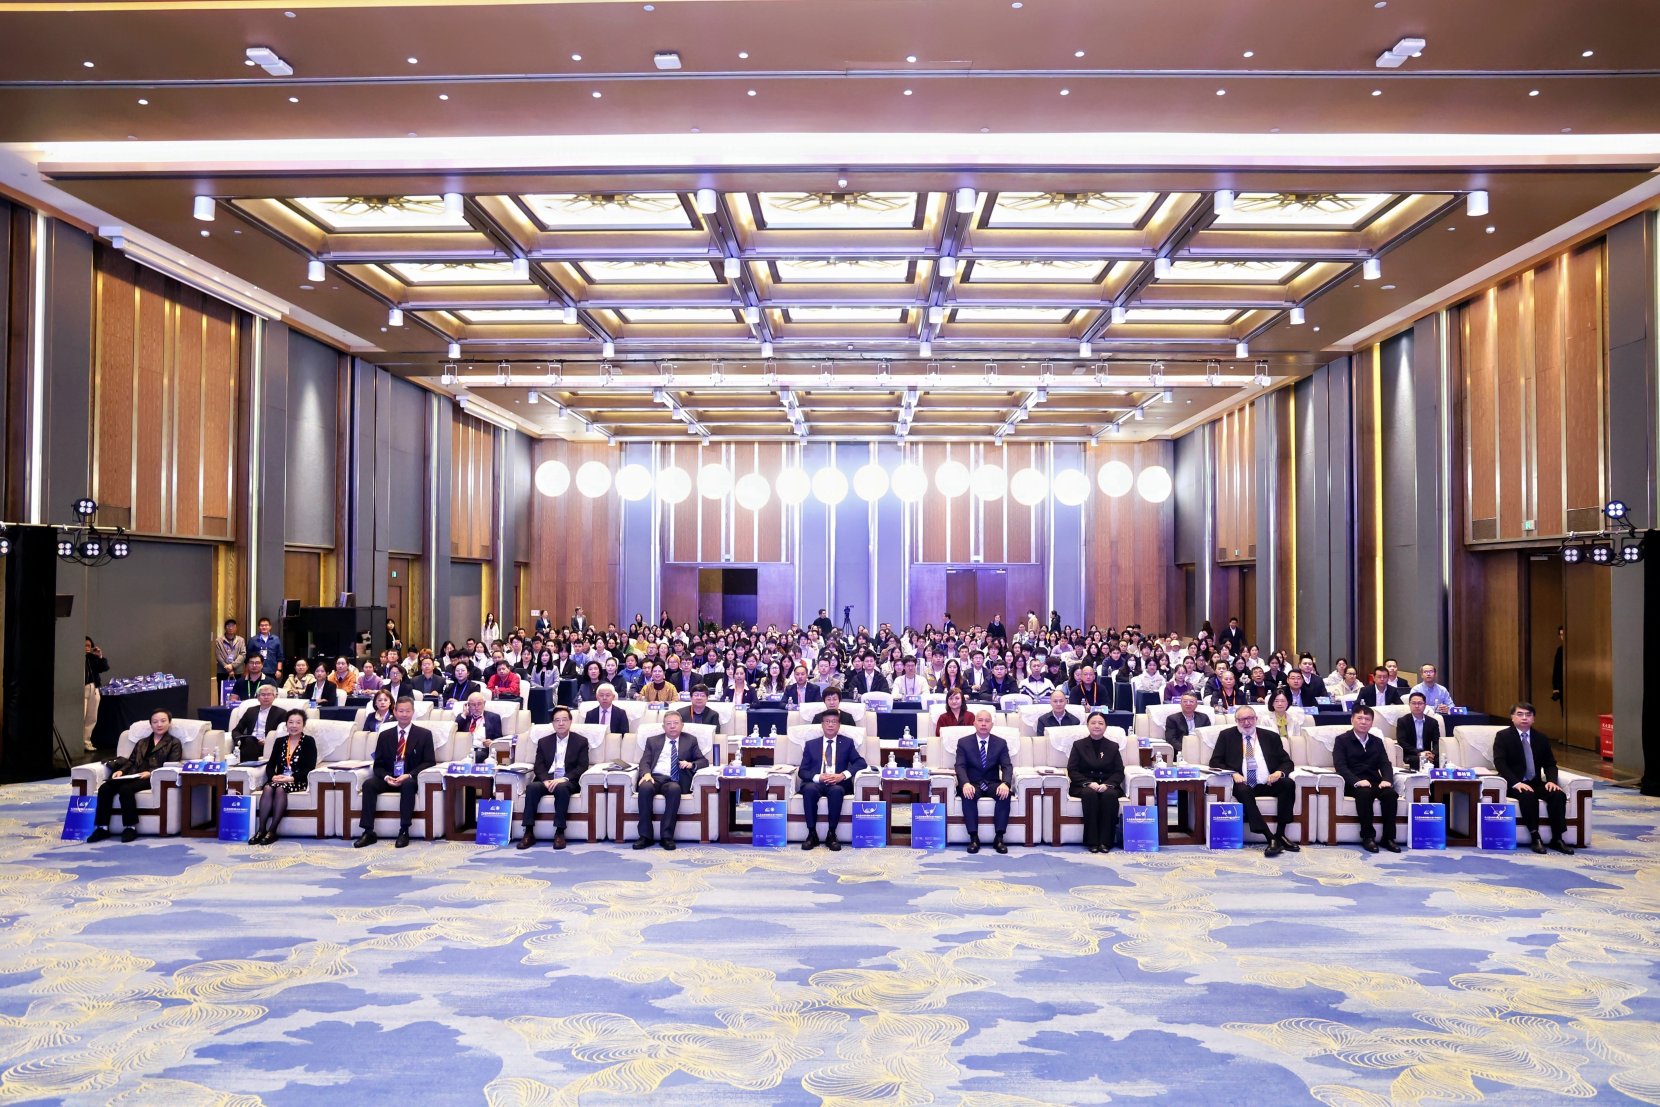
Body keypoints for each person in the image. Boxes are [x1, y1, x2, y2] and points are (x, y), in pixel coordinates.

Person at [1208, 705, 1300, 858]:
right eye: (1242, 719)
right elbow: (1215, 762)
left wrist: (1279, 772)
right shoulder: (1226, 736)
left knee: (1288, 784)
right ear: (1236, 721)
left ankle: (1281, 834)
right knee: (1243, 791)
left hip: (1267, 783)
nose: (1247, 723)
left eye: (1250, 718)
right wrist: (1233, 773)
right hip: (1242, 783)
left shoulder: (1270, 736)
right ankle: (1269, 837)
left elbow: (1287, 762)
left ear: (1256, 719)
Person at [86, 709, 183, 842]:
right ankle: (102, 828)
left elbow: (172, 764)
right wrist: (121, 771)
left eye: (163, 721)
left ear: (169, 723)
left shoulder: (174, 743)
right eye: (155, 722)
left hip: (153, 777)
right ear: (151, 724)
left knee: (125, 789)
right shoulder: (142, 742)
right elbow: (131, 761)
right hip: (133, 775)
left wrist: (151, 773)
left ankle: (130, 828)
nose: (159, 724)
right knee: (105, 788)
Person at [354, 696, 436, 848]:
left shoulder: (424, 734)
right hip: (389, 778)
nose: (404, 714)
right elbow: (378, 765)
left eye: (408, 711)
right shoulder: (385, 735)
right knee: (369, 785)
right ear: (395, 712)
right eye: (401, 711)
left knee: (408, 785)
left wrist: (409, 775)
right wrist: (386, 777)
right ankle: (368, 831)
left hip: (410, 778)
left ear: (413, 712)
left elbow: (430, 762)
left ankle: (404, 830)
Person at [1494, 702, 1574, 855]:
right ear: (1512, 717)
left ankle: (1557, 838)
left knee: (1558, 795)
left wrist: (1551, 781)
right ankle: (1535, 837)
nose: (1524, 718)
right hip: (1513, 783)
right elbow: (1500, 763)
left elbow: (1550, 764)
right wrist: (1516, 783)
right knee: (1527, 795)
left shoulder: (1541, 738)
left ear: (1533, 719)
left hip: (1535, 782)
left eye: (1528, 715)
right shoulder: (1503, 736)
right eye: (1520, 714)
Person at [632, 712, 708, 850]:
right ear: (663, 727)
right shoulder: (652, 741)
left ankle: (666, 837)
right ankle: (645, 836)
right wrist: (646, 773)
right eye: (668, 723)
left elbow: (703, 761)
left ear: (682, 725)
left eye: (676, 723)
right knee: (645, 787)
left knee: (674, 789)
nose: (672, 726)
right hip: (654, 777)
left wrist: (691, 764)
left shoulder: (690, 740)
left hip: (674, 779)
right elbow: (645, 761)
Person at [519, 706, 590, 850]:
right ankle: (528, 832)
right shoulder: (544, 742)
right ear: (552, 723)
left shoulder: (581, 741)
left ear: (570, 722)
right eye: (557, 720)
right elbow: (538, 766)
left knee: (562, 788)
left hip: (567, 781)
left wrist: (564, 779)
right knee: (532, 787)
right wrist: (545, 780)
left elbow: (582, 767)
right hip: (548, 779)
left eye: (564, 720)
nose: (561, 723)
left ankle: (559, 832)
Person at [1334, 705, 1400, 853]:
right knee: (1364, 794)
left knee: (1390, 794)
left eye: (1367, 719)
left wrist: (1387, 779)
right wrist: (1356, 781)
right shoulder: (1342, 740)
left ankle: (1388, 838)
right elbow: (1340, 766)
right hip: (1353, 783)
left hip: (1374, 782)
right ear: (1352, 720)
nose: (1363, 722)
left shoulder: (1376, 741)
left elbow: (1385, 763)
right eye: (1360, 718)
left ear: (1371, 723)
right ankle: (1368, 837)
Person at [796, 714, 866, 851]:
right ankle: (812, 834)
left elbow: (860, 763)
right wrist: (818, 777)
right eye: (827, 721)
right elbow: (802, 771)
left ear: (839, 726)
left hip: (837, 783)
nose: (830, 724)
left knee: (836, 791)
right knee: (809, 790)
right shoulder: (811, 744)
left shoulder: (847, 743)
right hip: (816, 782)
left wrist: (843, 775)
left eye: (834, 722)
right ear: (822, 725)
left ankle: (831, 834)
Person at [250, 708, 316, 845]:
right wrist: (273, 776)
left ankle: (272, 831)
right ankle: (261, 830)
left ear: (303, 725)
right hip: (279, 779)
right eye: (291, 722)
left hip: (298, 780)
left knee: (280, 789)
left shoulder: (309, 741)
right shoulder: (280, 741)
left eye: (298, 722)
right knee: (268, 788)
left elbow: (310, 768)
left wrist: (291, 778)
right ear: (286, 724)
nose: (294, 725)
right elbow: (270, 765)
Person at [1067, 711, 1126, 853]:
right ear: (1087, 725)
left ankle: (1106, 842)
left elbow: (1119, 771)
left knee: (1110, 795)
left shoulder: (1113, 746)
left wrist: (1107, 784)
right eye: (1093, 723)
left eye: (1100, 723)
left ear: (1106, 726)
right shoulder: (1079, 745)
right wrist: (1088, 783)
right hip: (1084, 785)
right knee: (1089, 794)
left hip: (1107, 784)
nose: (1097, 726)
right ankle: (1092, 841)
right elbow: (1072, 770)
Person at [955, 709, 1013, 854]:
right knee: (967, 794)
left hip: (992, 783)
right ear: (974, 723)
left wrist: (1005, 783)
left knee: (1005, 794)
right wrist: (965, 783)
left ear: (992, 724)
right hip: (973, 783)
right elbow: (960, 766)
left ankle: (999, 838)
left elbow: (1007, 766)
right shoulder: (963, 743)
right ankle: (974, 838)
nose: (983, 724)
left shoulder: (1000, 743)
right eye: (980, 720)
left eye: (987, 721)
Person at [230, 684, 286, 762]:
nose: (266, 697)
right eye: (263, 695)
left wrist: (268, 741)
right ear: (258, 697)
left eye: (269, 694)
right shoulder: (251, 711)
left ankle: (246, 766)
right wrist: (239, 741)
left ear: (274, 697)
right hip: (250, 743)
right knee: (249, 740)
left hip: (267, 745)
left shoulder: (281, 713)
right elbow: (237, 730)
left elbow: (283, 733)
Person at [1397, 692, 1442, 767]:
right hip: (1411, 754)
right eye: (1413, 703)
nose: (1417, 706)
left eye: (1420, 703)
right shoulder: (1402, 721)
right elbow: (1402, 742)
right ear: (1409, 705)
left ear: (1425, 705)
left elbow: (1437, 742)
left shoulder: (1432, 722)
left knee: (1440, 760)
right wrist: (1419, 753)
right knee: (1419, 760)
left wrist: (1432, 754)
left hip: (1427, 754)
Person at [456, 692, 503, 757]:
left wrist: (491, 742)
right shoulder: (464, 717)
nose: (476, 707)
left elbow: (499, 739)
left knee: (477, 755)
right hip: (465, 749)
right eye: (473, 704)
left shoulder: (494, 717)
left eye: (479, 704)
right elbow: (455, 729)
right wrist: (464, 713)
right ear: (468, 705)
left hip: (482, 750)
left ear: (484, 703)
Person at [1163, 692, 1210, 757]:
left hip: (1201, 750)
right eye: (1185, 701)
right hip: (1181, 750)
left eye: (1191, 701)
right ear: (1180, 704)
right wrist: (1185, 749)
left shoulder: (1204, 718)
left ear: (1196, 704)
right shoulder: (1172, 719)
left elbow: (1207, 736)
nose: (1188, 704)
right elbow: (1170, 739)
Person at [84, 636, 109, 750]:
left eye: (89, 646)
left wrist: (100, 656)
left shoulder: (92, 658)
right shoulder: (76, 658)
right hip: (82, 688)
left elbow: (104, 668)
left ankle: (86, 741)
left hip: (94, 688)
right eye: (84, 645)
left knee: (92, 717)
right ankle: (75, 742)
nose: (87, 648)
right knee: (81, 716)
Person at [213, 618, 246, 685]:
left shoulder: (241, 640)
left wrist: (232, 666)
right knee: (222, 691)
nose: (231, 628)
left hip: (237, 671)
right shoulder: (219, 640)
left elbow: (243, 654)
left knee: (238, 690)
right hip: (222, 671)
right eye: (228, 626)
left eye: (233, 626)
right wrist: (227, 667)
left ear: (236, 628)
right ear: (225, 628)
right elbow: (218, 656)